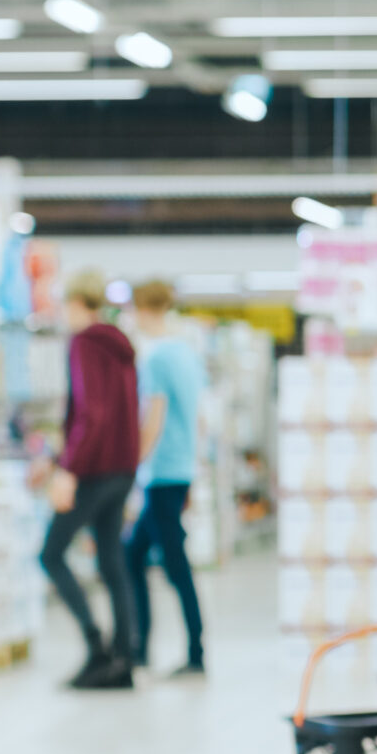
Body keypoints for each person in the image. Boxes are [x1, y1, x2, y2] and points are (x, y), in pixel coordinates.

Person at [40, 269, 140, 691]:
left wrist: (68, 469)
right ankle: (124, 656)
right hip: (123, 466)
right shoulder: (119, 346)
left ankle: (96, 648)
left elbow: (90, 413)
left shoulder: (83, 343)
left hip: (95, 469)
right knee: (111, 560)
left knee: (51, 553)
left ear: (75, 302)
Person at [124, 279, 207, 677]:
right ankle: (141, 649)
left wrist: (131, 465)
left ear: (142, 310)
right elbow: (199, 419)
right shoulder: (187, 354)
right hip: (180, 470)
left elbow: (152, 421)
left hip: (161, 474)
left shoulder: (155, 359)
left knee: (175, 566)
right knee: (133, 554)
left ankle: (194, 651)